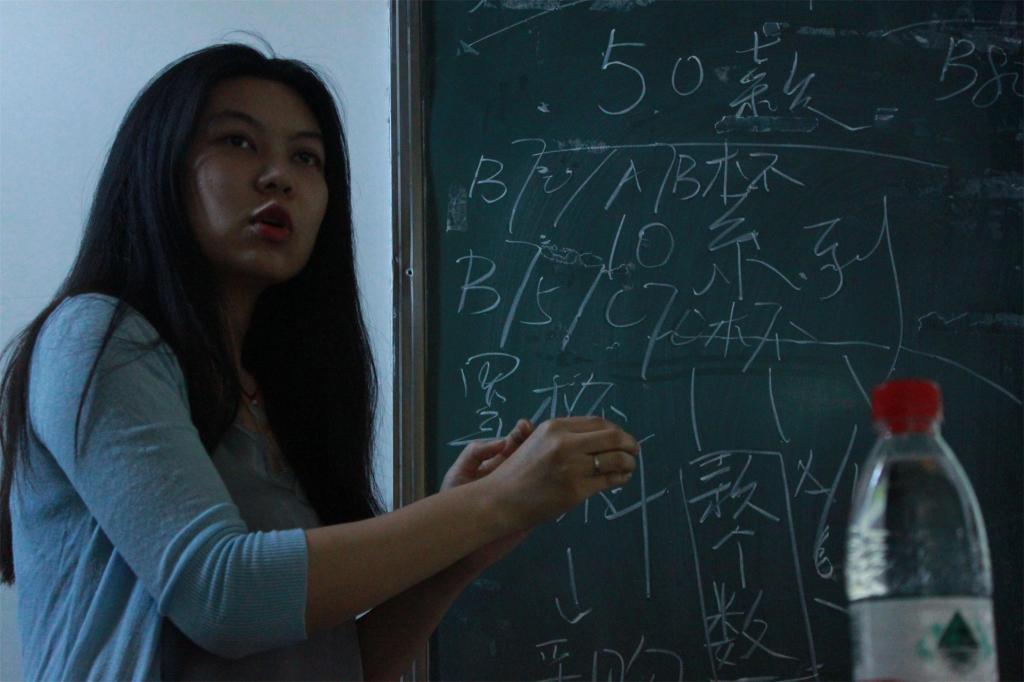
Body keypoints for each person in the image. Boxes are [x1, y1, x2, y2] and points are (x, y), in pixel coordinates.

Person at [0, 43, 638, 681]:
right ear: (158, 164)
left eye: (306, 158)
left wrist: (463, 551)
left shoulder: (283, 392)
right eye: (238, 141)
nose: (279, 177)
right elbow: (221, 597)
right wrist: (493, 502)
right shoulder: (94, 338)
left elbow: (340, 665)